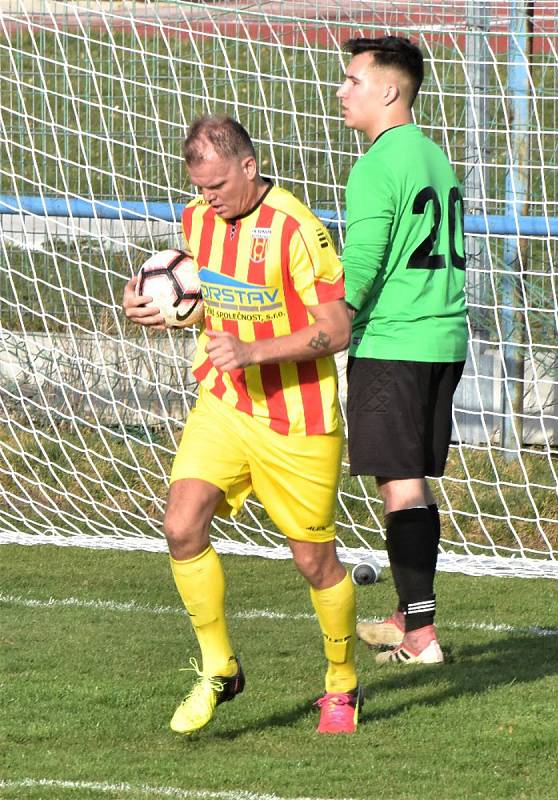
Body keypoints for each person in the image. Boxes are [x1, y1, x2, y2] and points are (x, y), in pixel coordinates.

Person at [122, 116, 362, 734]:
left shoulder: (297, 228)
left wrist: (253, 352)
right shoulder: (196, 221)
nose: (209, 198)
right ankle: (219, 668)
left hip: (298, 418)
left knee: (315, 563)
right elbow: (195, 291)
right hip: (224, 403)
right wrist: (150, 304)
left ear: (249, 167)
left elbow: (336, 330)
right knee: (181, 525)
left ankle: (341, 683)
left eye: (219, 185)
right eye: (199, 187)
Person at [336, 37, 468, 665]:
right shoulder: (435, 159)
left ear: (389, 90)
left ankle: (419, 634)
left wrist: (323, 322)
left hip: (394, 342)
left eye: (353, 80)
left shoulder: (376, 165)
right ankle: (409, 614)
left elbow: (359, 268)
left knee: (401, 488)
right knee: (410, 485)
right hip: (444, 339)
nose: (342, 91)